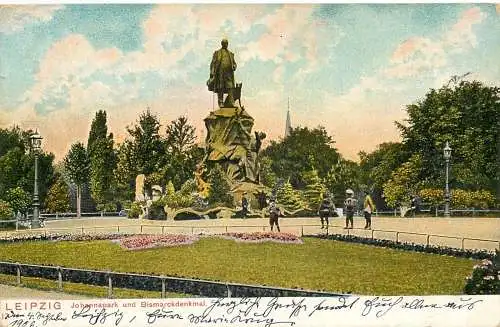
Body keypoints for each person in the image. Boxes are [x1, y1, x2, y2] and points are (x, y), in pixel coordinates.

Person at [208, 39, 237, 108]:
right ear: (222, 44)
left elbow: (234, 63)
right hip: (220, 73)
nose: (225, 44)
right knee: (220, 88)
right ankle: (220, 103)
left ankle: (231, 103)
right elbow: (213, 64)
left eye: (226, 43)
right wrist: (212, 73)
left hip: (228, 74)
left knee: (230, 87)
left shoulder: (231, 54)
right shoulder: (217, 53)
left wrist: (234, 66)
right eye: (224, 43)